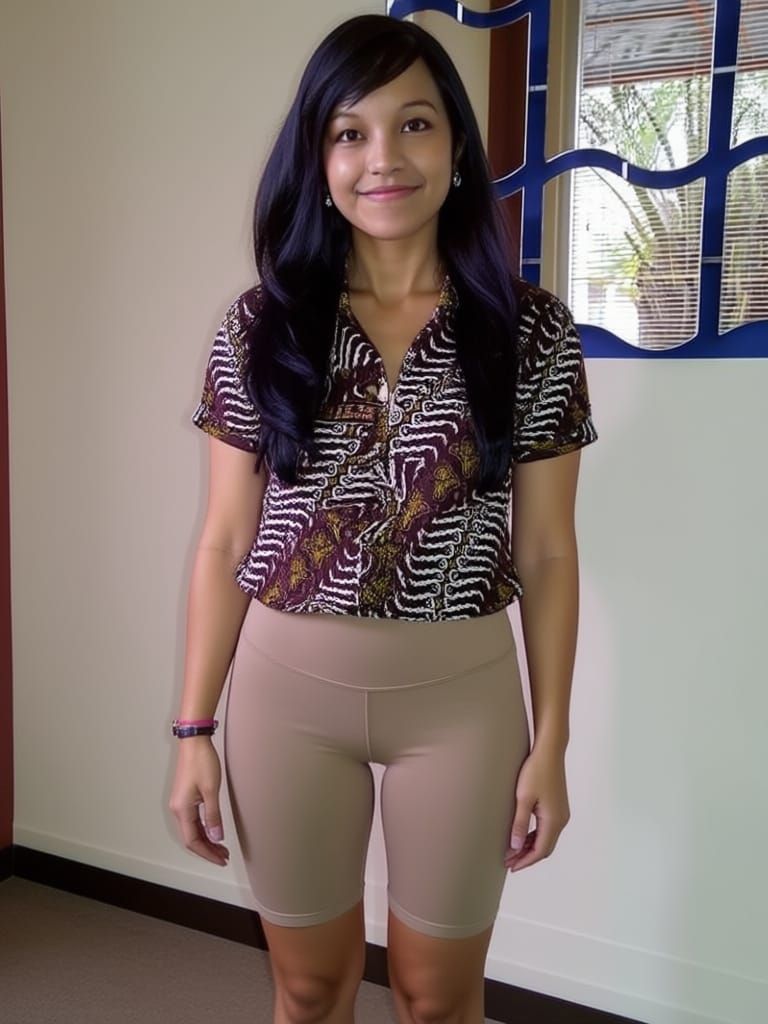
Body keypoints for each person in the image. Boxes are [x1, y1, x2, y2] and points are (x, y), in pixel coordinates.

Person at [169, 12, 598, 1024]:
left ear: (454, 146)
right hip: (284, 698)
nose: (382, 158)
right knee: (310, 987)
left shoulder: (531, 334)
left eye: (413, 125)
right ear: (320, 159)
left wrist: (554, 741)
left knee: (437, 996)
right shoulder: (261, 325)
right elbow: (225, 541)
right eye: (349, 132)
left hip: (462, 701)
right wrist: (193, 727)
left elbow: (547, 548)